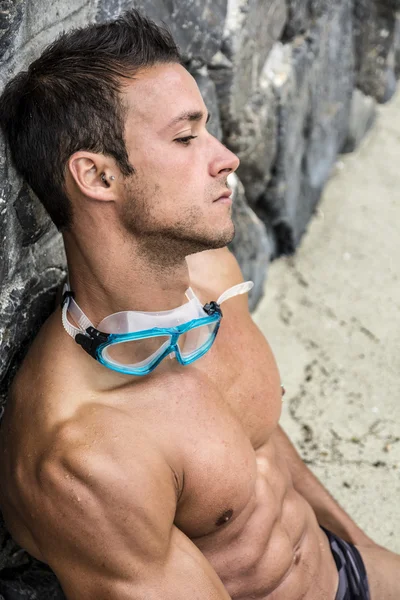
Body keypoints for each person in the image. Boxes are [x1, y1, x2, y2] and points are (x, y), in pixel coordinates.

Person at [0, 10, 398, 600]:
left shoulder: (211, 278)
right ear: (98, 177)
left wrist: (363, 548)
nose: (227, 157)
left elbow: (256, 439)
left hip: (345, 567)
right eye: (186, 138)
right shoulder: (83, 457)